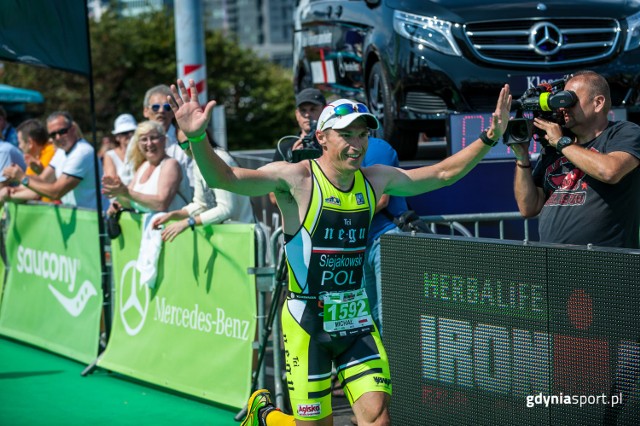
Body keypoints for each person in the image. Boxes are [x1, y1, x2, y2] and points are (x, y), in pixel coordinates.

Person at [169, 78, 511, 426]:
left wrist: (488, 137)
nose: (357, 144)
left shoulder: (375, 178)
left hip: (354, 315)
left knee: (377, 418)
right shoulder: (296, 179)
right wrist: (197, 138)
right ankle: (268, 418)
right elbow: (224, 178)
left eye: (363, 134)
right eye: (346, 134)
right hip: (307, 320)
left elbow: (441, 173)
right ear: (322, 138)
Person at [511, 70, 640, 249]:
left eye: (570, 99)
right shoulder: (553, 148)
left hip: (607, 263)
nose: (562, 107)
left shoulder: (624, 132)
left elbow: (610, 171)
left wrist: (562, 143)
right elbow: (528, 207)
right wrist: (521, 156)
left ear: (598, 103)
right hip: (555, 264)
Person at [152, 128, 254, 241]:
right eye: (184, 144)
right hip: (227, 238)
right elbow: (201, 204)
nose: (190, 148)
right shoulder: (198, 162)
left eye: (193, 141)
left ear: (205, 137)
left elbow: (226, 209)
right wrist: (174, 215)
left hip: (244, 239)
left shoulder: (219, 159)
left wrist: (188, 222)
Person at [361, 137, 411, 335]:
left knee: (390, 321)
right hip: (361, 244)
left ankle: (398, 367)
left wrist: (341, 217)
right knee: (369, 320)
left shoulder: (376, 148)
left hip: (386, 239)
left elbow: (381, 199)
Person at [2, 111, 99, 209]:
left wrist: (22, 178)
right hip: (81, 217)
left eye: (62, 132)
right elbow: (42, 179)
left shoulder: (82, 152)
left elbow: (56, 192)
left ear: (73, 129)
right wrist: (15, 182)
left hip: (95, 219)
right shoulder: (61, 151)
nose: (58, 137)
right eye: (53, 134)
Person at [102, 120, 190, 214]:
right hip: (149, 228)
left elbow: (161, 203)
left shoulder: (171, 164)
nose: (149, 143)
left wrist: (126, 192)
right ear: (138, 144)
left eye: (154, 138)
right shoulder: (143, 167)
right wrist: (119, 195)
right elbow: (129, 202)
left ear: (164, 140)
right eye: (144, 139)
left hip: (172, 227)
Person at [135, 84, 193, 189]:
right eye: (155, 107)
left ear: (173, 112)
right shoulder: (134, 141)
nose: (161, 111)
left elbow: (193, 182)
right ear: (145, 111)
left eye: (167, 107)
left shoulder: (185, 141)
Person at [273, 88, 326, 163]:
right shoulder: (284, 148)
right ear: (297, 114)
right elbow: (275, 174)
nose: (307, 115)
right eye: (303, 110)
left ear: (324, 110)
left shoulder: (331, 144)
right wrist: (292, 158)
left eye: (313, 109)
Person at [103, 113, 137, 186]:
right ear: (117, 137)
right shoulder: (110, 155)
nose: (130, 135)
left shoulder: (143, 152)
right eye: (125, 133)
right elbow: (112, 183)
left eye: (132, 131)